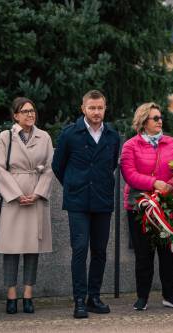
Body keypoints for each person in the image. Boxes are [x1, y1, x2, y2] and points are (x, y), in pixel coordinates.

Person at [52, 90, 120, 319]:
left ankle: (94, 297)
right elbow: (58, 166)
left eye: (100, 108)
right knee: (80, 250)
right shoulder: (69, 134)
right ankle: (79, 300)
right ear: (83, 109)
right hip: (78, 202)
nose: (96, 112)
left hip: (102, 200)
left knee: (100, 251)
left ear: (105, 108)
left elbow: (111, 164)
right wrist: (75, 184)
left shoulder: (112, 135)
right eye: (92, 108)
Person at [120, 102, 173, 311]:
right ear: (143, 121)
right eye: (155, 118)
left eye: (160, 117)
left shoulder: (171, 143)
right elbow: (129, 174)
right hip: (140, 206)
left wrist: (169, 185)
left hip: (167, 203)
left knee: (168, 253)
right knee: (143, 254)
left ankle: (170, 295)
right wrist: (153, 183)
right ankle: (142, 297)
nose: (160, 121)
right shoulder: (131, 145)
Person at [0, 97, 54, 314]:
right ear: (16, 115)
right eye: (25, 111)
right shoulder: (5, 137)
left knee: (32, 249)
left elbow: (49, 168)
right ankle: (11, 295)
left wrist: (38, 193)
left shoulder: (44, 137)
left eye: (32, 110)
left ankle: (28, 295)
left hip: (35, 197)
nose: (30, 114)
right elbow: (0, 168)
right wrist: (17, 194)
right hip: (14, 199)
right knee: (10, 249)